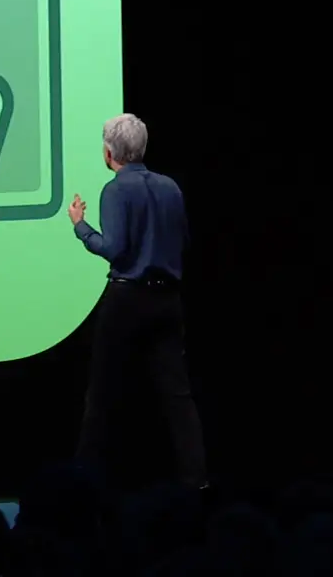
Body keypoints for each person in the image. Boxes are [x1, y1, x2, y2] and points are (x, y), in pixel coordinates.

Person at [67, 113, 208, 489]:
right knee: (177, 395)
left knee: (102, 393)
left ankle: (86, 480)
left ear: (108, 153)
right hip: (167, 298)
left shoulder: (116, 190)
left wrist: (80, 226)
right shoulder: (171, 187)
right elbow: (184, 241)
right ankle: (197, 481)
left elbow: (114, 248)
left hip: (128, 298)